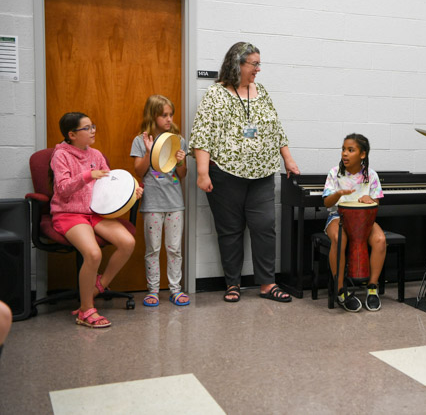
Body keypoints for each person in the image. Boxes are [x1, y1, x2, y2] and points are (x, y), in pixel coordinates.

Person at [189, 42, 299, 304]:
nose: (258, 69)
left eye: (259, 64)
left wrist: (288, 159)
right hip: (225, 174)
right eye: (254, 64)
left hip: (261, 174)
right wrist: (202, 173)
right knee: (230, 231)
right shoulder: (216, 94)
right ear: (237, 64)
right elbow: (203, 134)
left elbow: (276, 128)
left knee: (264, 227)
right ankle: (232, 284)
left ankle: (267, 284)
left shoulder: (260, 91)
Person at [50, 112, 143, 328]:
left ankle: (97, 287)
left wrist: (133, 192)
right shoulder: (60, 155)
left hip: (95, 213)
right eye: (87, 128)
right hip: (69, 213)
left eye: (93, 126)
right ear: (71, 134)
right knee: (93, 254)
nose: (93, 131)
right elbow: (62, 190)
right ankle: (85, 310)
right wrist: (86, 176)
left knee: (127, 242)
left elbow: (111, 187)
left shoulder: (96, 154)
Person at [131, 95, 189, 307]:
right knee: (153, 249)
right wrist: (149, 151)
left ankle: (175, 289)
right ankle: (153, 290)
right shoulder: (141, 140)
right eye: (164, 115)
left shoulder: (178, 140)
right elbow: (138, 171)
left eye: (170, 114)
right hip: (152, 204)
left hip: (175, 204)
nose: (168, 118)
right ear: (152, 115)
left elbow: (181, 174)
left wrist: (181, 162)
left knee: (174, 249)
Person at [322, 133, 386, 312]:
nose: (345, 154)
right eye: (343, 149)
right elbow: (327, 202)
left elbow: (376, 202)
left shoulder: (371, 175)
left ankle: (372, 287)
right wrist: (338, 194)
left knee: (380, 239)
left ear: (362, 154)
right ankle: (341, 290)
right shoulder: (335, 173)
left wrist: (368, 198)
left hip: (364, 220)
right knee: (339, 239)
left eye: (351, 150)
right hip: (338, 218)